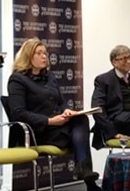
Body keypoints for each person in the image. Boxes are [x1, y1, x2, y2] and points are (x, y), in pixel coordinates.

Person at [7, 39, 101, 191]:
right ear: (27, 56)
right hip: (37, 131)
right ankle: (89, 180)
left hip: (57, 126)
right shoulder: (17, 80)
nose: (44, 56)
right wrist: (49, 121)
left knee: (81, 118)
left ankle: (84, 171)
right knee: (79, 136)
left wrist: (66, 111)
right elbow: (18, 113)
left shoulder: (49, 76)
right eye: (39, 53)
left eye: (45, 53)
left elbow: (61, 102)